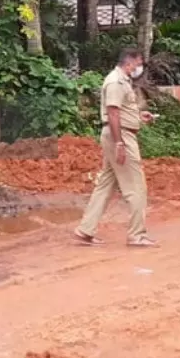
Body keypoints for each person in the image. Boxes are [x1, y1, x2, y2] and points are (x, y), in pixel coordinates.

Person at [74, 47, 157, 248]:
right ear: (129, 63)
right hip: (120, 137)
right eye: (138, 64)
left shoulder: (123, 81)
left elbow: (121, 111)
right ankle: (137, 235)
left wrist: (139, 116)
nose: (139, 68)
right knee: (136, 186)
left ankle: (86, 230)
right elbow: (112, 113)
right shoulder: (115, 81)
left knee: (106, 185)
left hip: (118, 134)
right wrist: (119, 142)